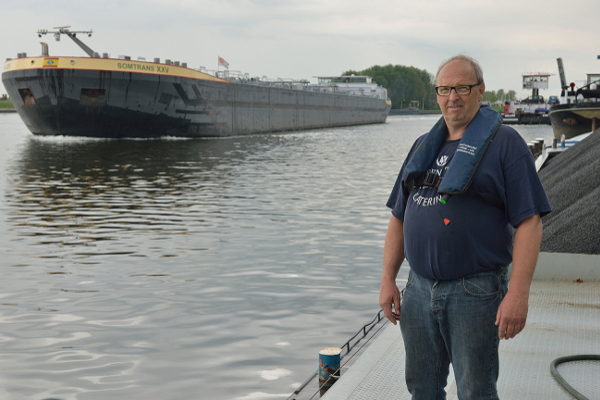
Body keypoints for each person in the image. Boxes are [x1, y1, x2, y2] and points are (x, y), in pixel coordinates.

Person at [379, 54, 551, 400]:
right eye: (444, 89)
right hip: (418, 289)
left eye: (461, 87)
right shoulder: (421, 147)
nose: (452, 97)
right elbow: (398, 216)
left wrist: (517, 295)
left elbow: (530, 222)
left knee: (476, 390)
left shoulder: (505, 144)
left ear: (480, 91)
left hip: (475, 291)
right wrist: (387, 279)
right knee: (422, 387)